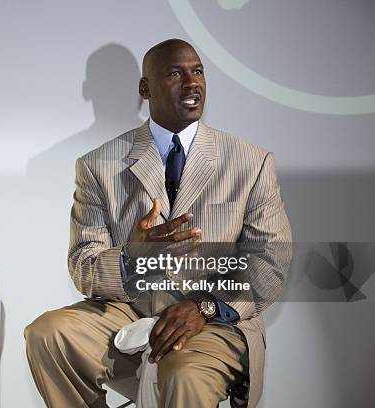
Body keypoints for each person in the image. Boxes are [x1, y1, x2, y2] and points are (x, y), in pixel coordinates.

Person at [24, 39, 292, 408]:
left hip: (216, 321)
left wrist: (205, 307)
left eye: (197, 71)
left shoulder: (251, 162)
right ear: (144, 89)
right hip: (131, 311)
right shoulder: (97, 166)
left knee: (180, 372)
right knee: (48, 334)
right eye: (174, 73)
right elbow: (83, 267)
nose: (191, 82)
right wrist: (131, 256)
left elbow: (270, 262)